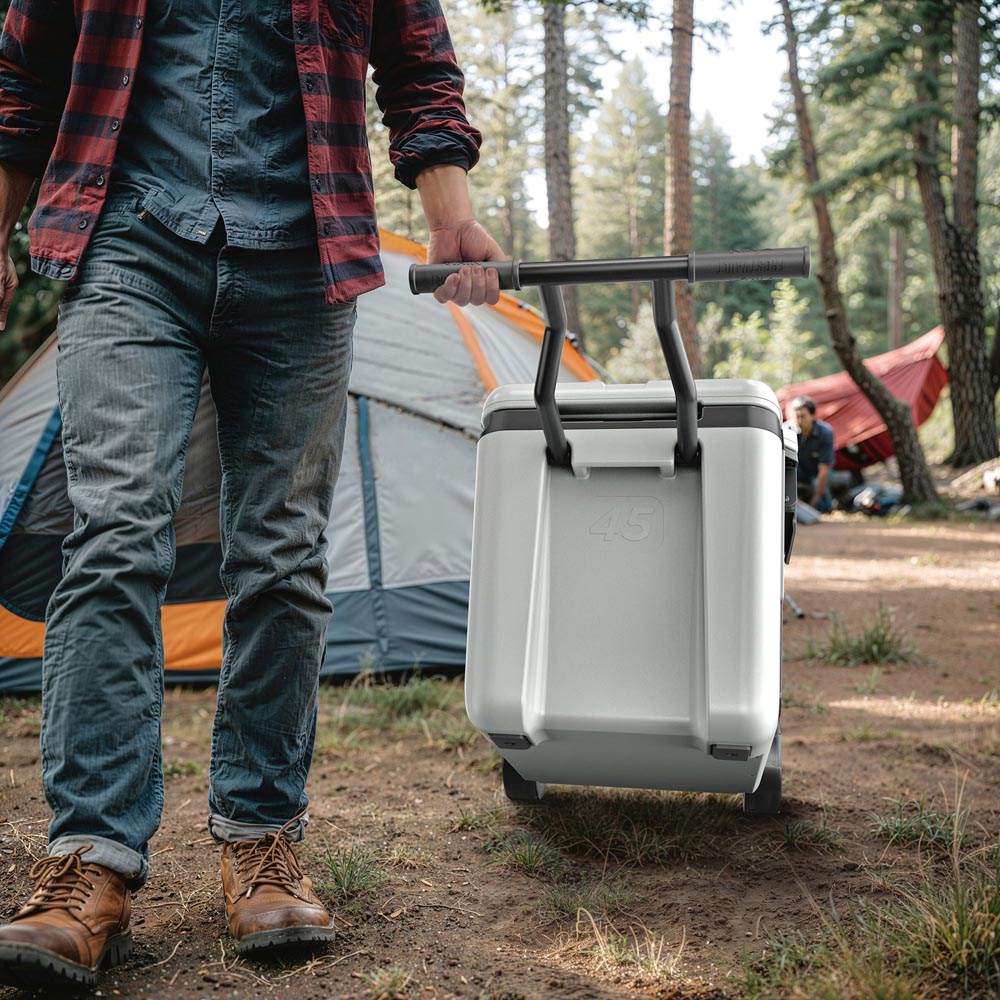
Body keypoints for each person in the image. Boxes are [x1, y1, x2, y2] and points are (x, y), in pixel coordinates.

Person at [0, 0, 504, 988]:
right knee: (114, 533)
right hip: (127, 243)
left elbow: (416, 63)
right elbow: (20, 76)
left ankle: (259, 837)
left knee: (280, 550)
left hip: (307, 255)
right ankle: (89, 858)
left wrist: (449, 215)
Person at [791, 395, 836, 513]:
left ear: (813, 416)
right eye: (796, 416)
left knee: (823, 503)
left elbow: (824, 469)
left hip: (818, 471)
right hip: (798, 470)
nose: (799, 421)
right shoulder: (787, 431)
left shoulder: (825, 432)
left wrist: (815, 501)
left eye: (803, 416)